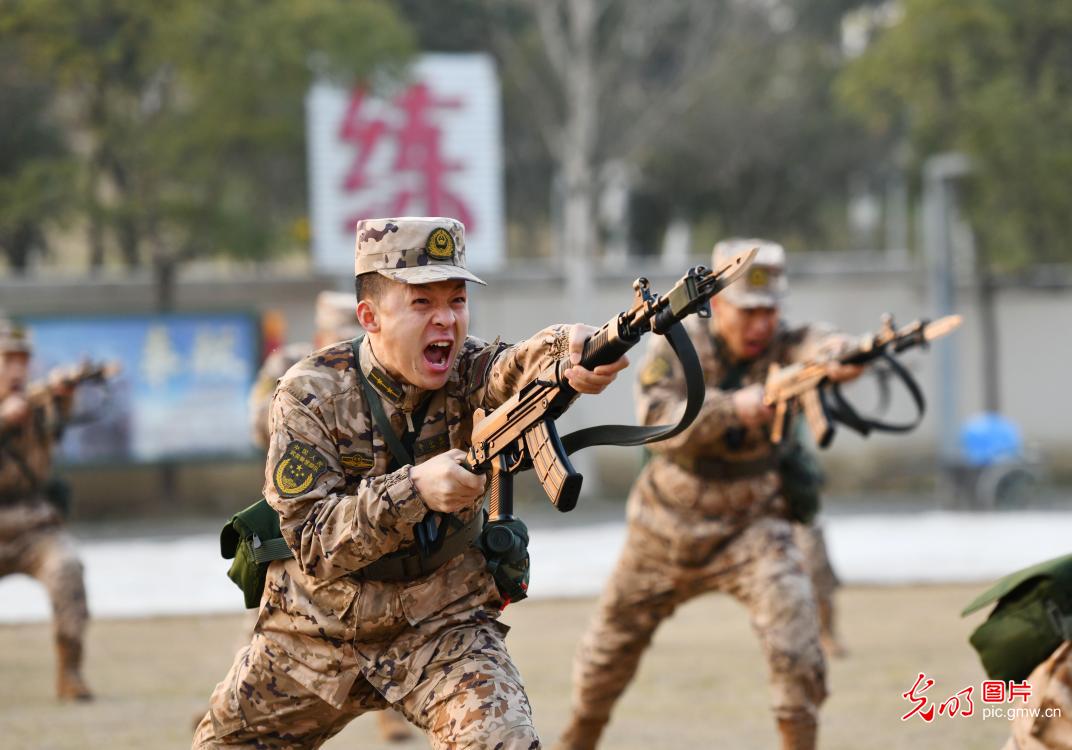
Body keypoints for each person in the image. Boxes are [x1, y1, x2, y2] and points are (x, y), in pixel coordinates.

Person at [192, 216, 628, 749]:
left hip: (442, 626)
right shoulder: (308, 392)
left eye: (456, 301)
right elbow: (312, 541)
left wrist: (569, 347)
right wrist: (416, 489)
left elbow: (511, 366)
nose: (446, 320)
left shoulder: (468, 369)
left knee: (502, 739)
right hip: (315, 632)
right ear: (369, 316)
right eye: (422, 304)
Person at [556, 239, 861, 750]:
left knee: (797, 643)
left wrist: (846, 358)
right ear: (717, 304)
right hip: (664, 526)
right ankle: (580, 737)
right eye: (748, 312)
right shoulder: (677, 342)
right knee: (606, 653)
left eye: (770, 310)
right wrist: (733, 408)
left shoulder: (788, 344)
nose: (761, 325)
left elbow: (823, 345)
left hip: (753, 525)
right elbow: (656, 418)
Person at [245, 290, 412, 743]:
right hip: (300, 516)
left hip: (370, 514)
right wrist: (307, 401)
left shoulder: (381, 367)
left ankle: (391, 714)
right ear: (321, 333)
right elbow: (257, 419)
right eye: (337, 336)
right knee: (272, 624)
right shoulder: (292, 367)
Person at [0, 318, 92, 701]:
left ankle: (69, 673)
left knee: (67, 568)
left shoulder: (37, 402)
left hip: (33, 524)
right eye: (7, 360)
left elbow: (60, 420)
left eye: (23, 360)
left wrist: (64, 391)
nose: (17, 369)